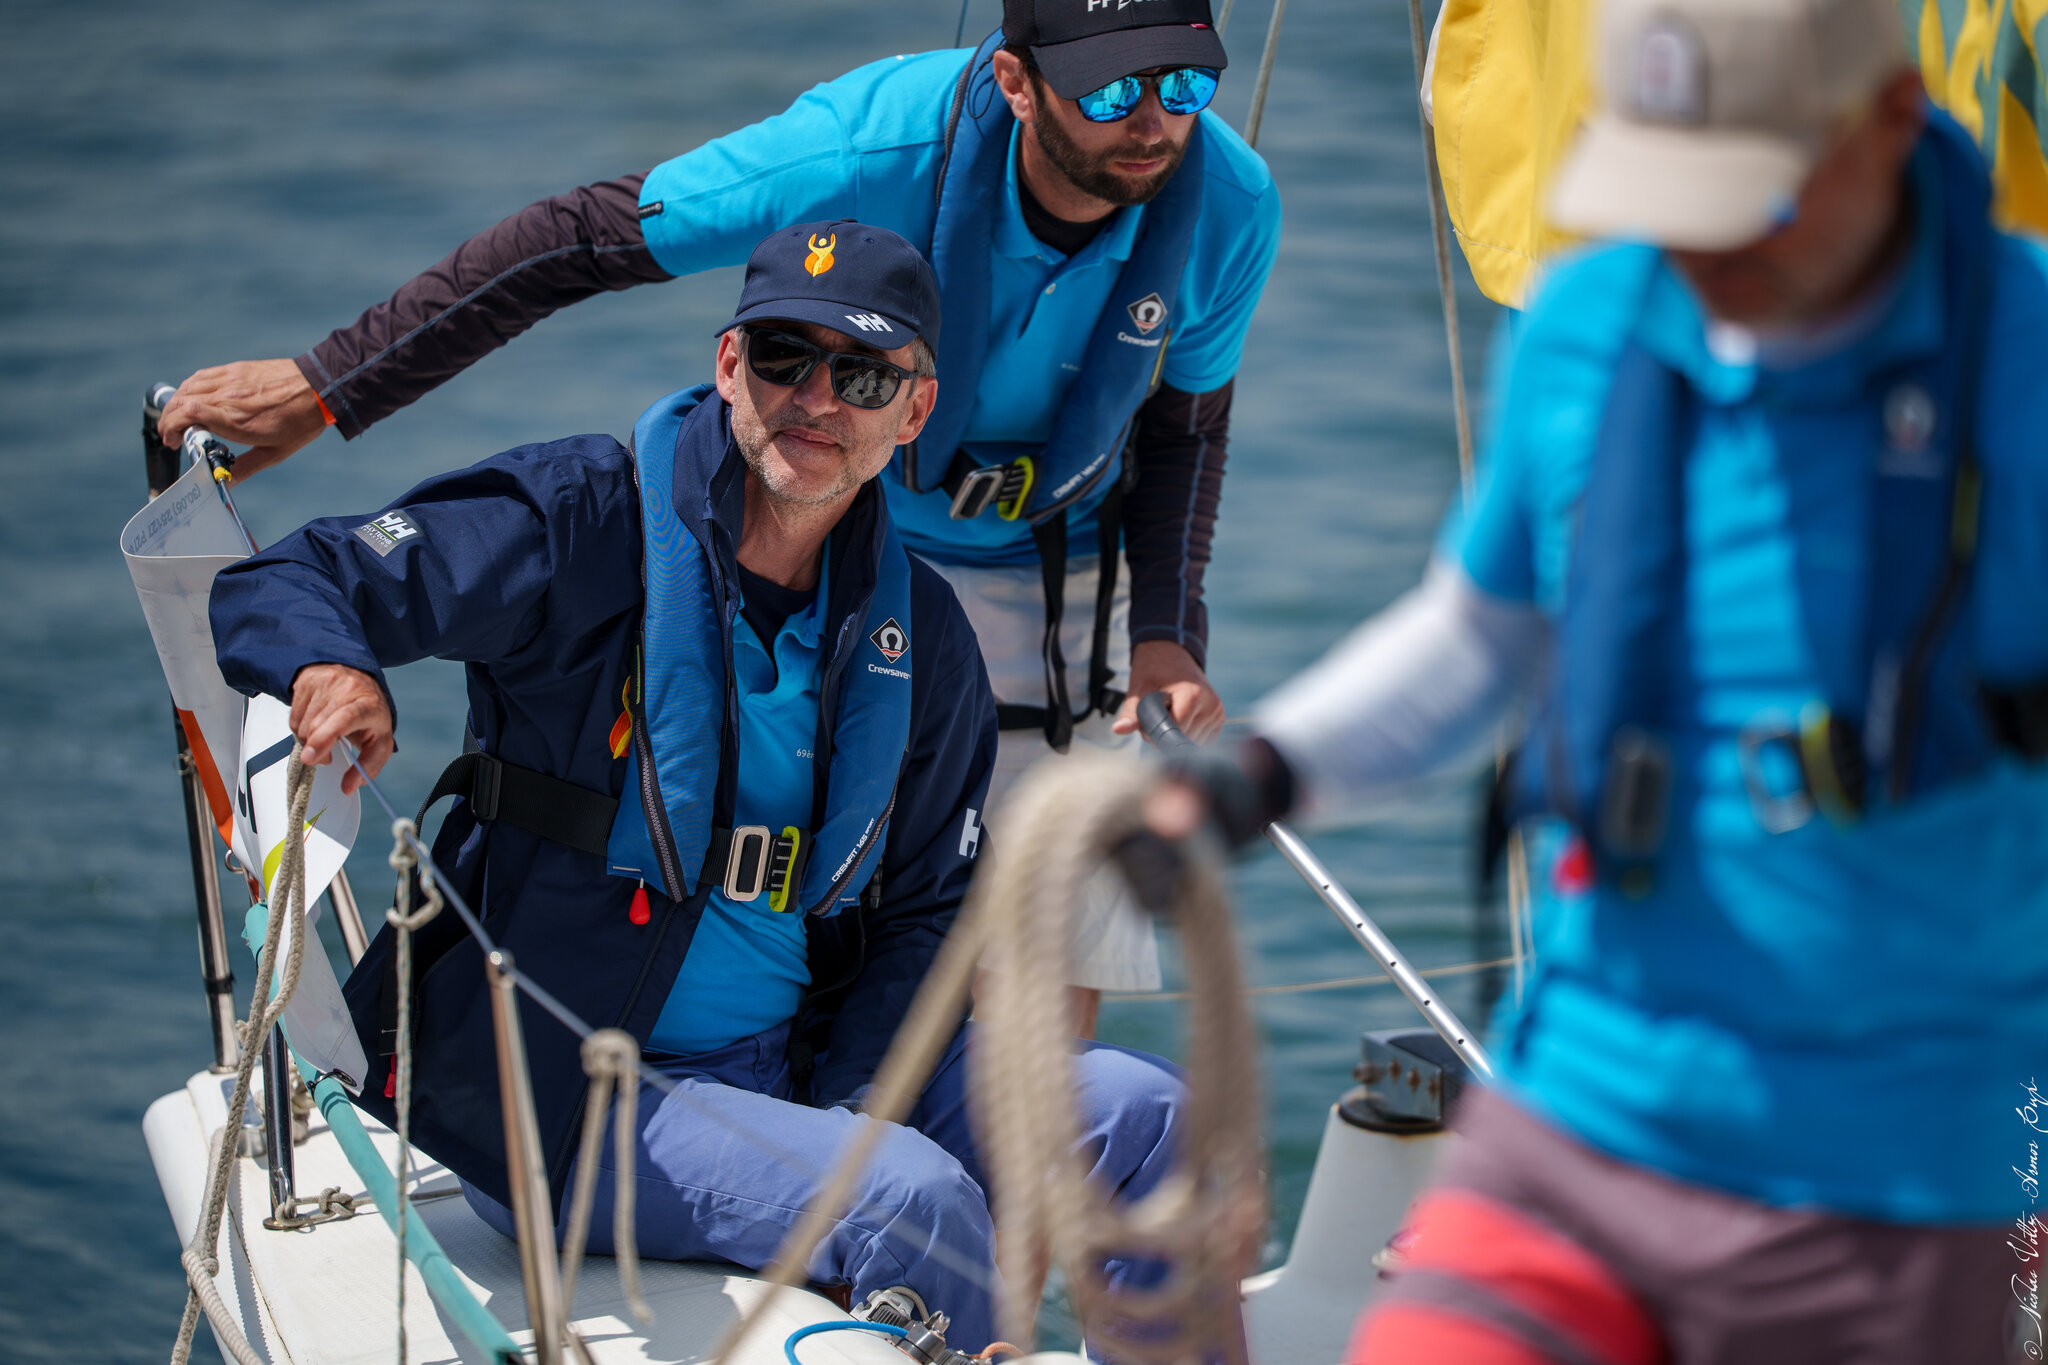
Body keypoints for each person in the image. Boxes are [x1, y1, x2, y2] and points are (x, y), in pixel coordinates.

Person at [1167, 0, 2048, 1359]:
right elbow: (1480, 636)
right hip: (1583, 1111)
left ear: (1886, 121)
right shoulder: (1592, 321)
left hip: (1894, 1171)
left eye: (1745, 203)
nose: (1702, 252)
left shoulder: (2023, 357)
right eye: (1664, 196)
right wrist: (1251, 778)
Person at [162, 0, 1283, 1029]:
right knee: (808, 894)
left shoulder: (1232, 209)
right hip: (832, 525)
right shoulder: (856, 150)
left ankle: (991, 1173)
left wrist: (1165, 635)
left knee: (1051, 969)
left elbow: (1187, 427)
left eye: (1183, 85)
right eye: (1109, 91)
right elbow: (575, 241)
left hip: (1051, 561)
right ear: (1015, 82)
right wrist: (328, 386)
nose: (1153, 122)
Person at [208, 221, 1193, 1354]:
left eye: (864, 376)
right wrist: (329, 667)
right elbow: (297, 573)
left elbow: (929, 909)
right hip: (569, 1096)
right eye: (783, 356)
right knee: (905, 1198)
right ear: (729, 365)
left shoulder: (921, 633)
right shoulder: (577, 519)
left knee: (1152, 1115)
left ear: (915, 411)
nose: (815, 398)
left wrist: (852, 1109)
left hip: (808, 1067)